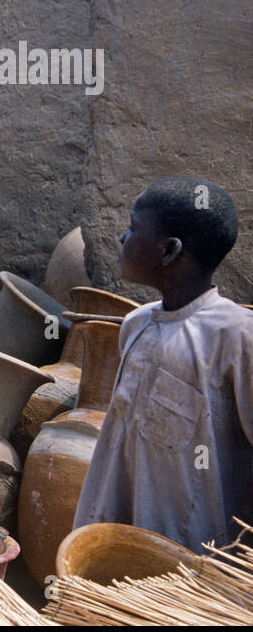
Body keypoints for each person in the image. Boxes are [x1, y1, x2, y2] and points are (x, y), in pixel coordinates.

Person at [74, 177, 253, 551]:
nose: (122, 239)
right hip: (121, 534)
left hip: (197, 557)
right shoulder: (137, 324)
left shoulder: (236, 336)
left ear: (170, 251)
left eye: (134, 228)